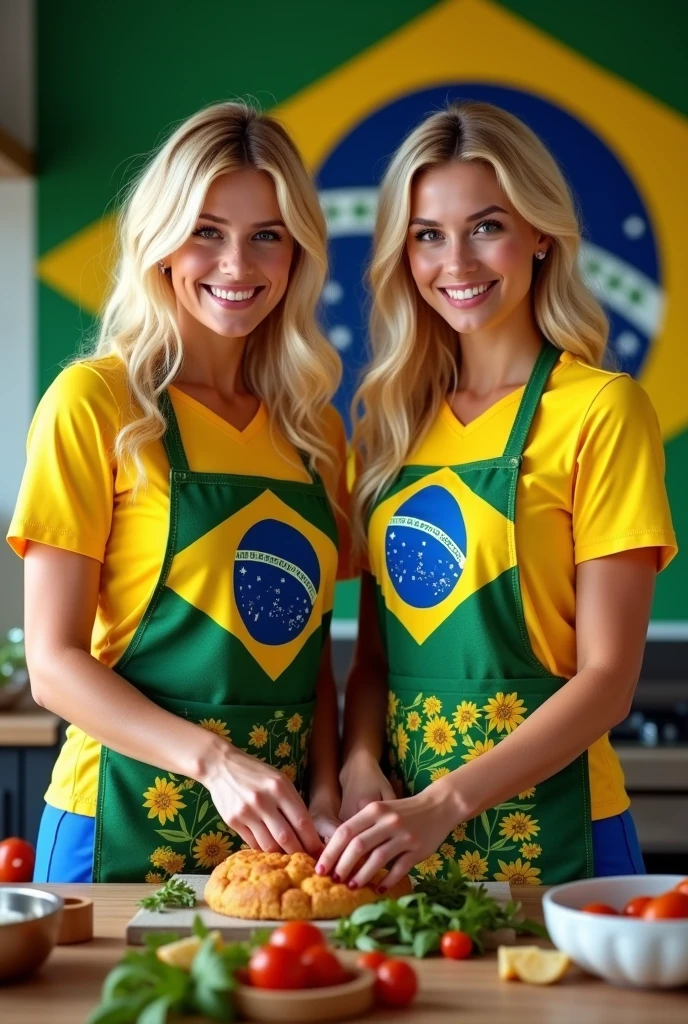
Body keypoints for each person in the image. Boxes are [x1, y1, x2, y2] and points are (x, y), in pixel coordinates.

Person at [316, 101, 677, 891]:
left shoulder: (601, 409)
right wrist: (360, 765)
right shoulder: (391, 424)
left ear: (541, 234)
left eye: (487, 226)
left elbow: (608, 681)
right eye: (427, 235)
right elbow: (373, 658)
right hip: (400, 836)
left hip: (562, 830)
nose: (457, 262)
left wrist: (446, 803)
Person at [8, 102, 353, 882]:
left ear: (297, 253)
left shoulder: (312, 430)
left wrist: (326, 785)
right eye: (207, 231)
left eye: (266, 235)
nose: (238, 265)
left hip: (281, 835)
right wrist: (216, 763)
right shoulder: (96, 403)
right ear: (160, 244)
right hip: (118, 819)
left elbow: (313, 649)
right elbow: (55, 665)